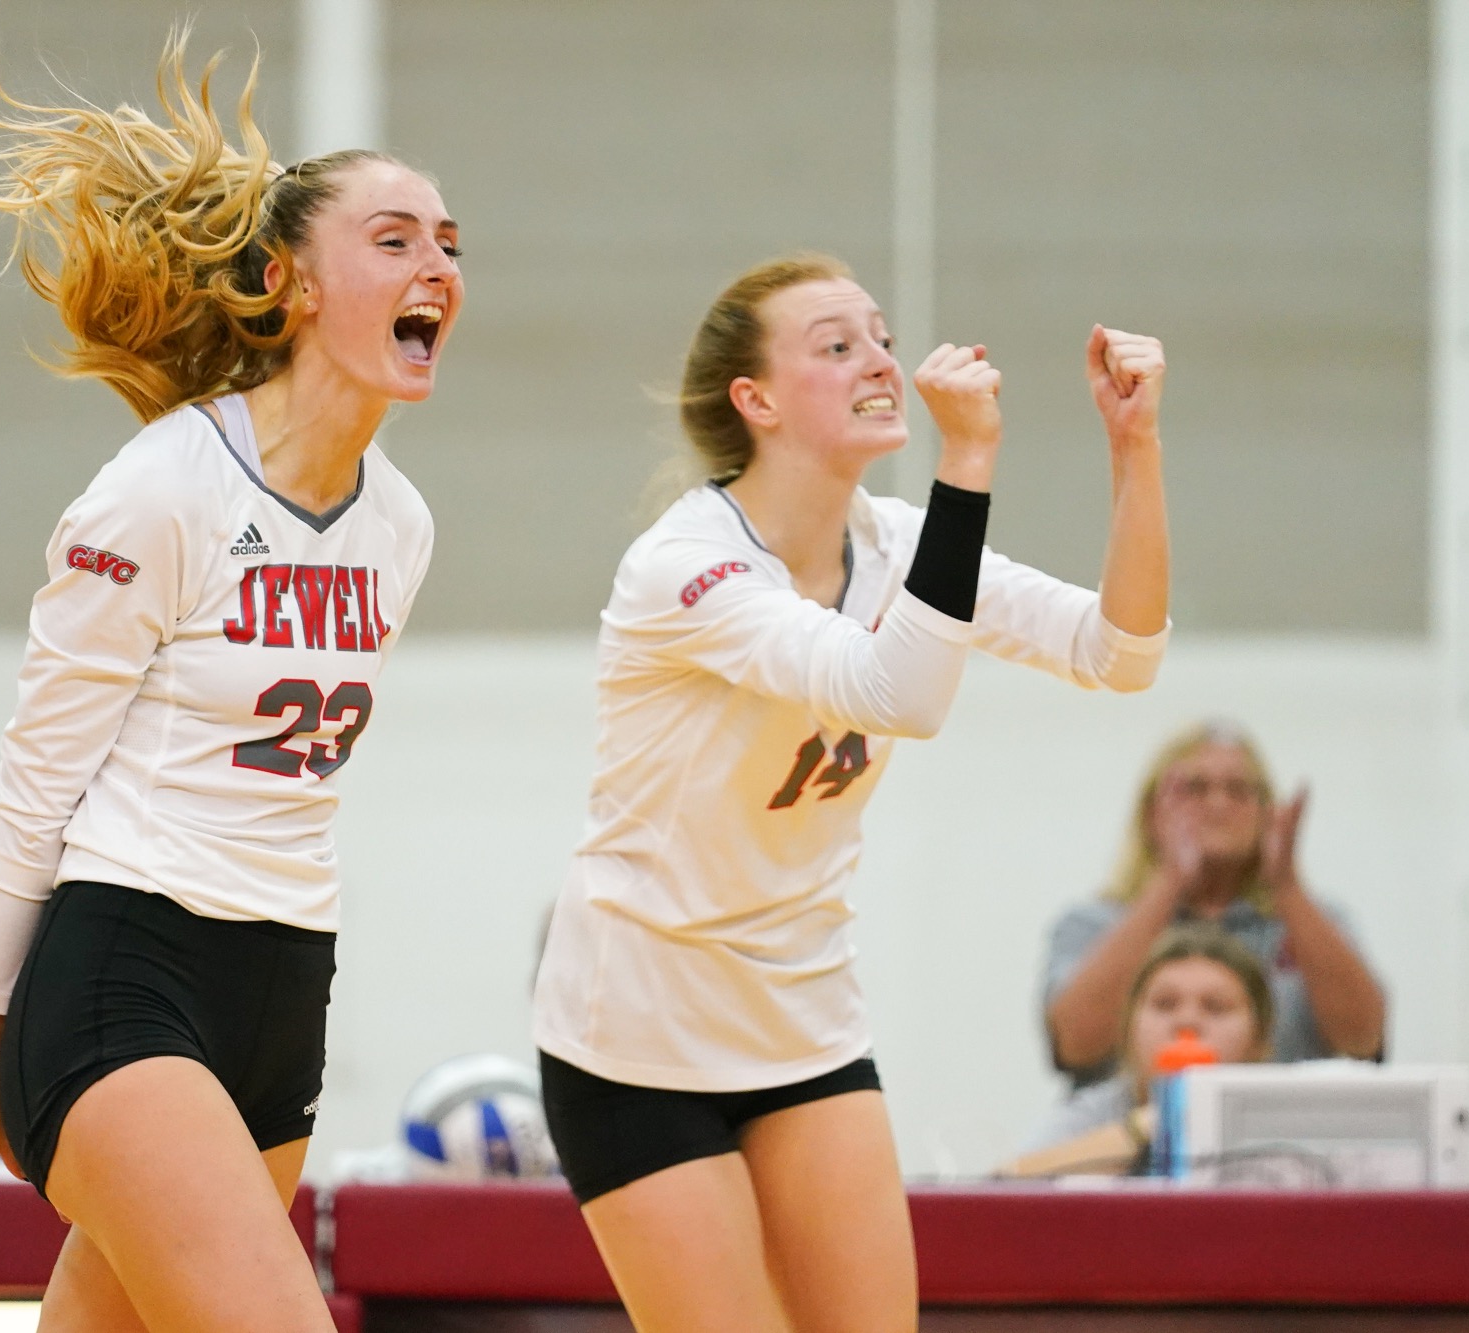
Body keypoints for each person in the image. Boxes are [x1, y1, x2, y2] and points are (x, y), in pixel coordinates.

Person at [0, 33, 460, 1330]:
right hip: (125, 974)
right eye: (393, 240)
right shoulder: (163, 488)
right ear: (286, 283)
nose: (436, 266)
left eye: (448, 243)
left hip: (287, 988)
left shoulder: (401, 524)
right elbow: (36, 784)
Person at [530, 253, 1171, 1333]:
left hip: (803, 1014)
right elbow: (897, 694)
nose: (879, 362)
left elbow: (1122, 651)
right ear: (757, 400)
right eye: (836, 345)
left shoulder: (896, 543)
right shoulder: (685, 565)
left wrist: (1134, 445)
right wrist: (968, 455)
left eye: (880, 338)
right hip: (638, 1034)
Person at [1043, 722, 1384, 1088]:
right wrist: (1170, 879)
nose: (1218, 804)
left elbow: (1362, 1041)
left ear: (1267, 813)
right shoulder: (1095, 923)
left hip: (1280, 1121)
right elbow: (1075, 1045)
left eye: (1238, 790)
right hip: (1130, 1121)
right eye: (1195, 788)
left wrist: (1285, 885)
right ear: (1152, 813)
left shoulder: (1311, 922)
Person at [1003, 926, 1274, 1176]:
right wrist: (1140, 1130)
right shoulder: (1100, 1111)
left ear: (1258, 1038)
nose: (1187, 1022)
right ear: (1129, 1028)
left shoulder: (1280, 1116)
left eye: (1215, 1007)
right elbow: (999, 1186)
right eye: (1165, 1004)